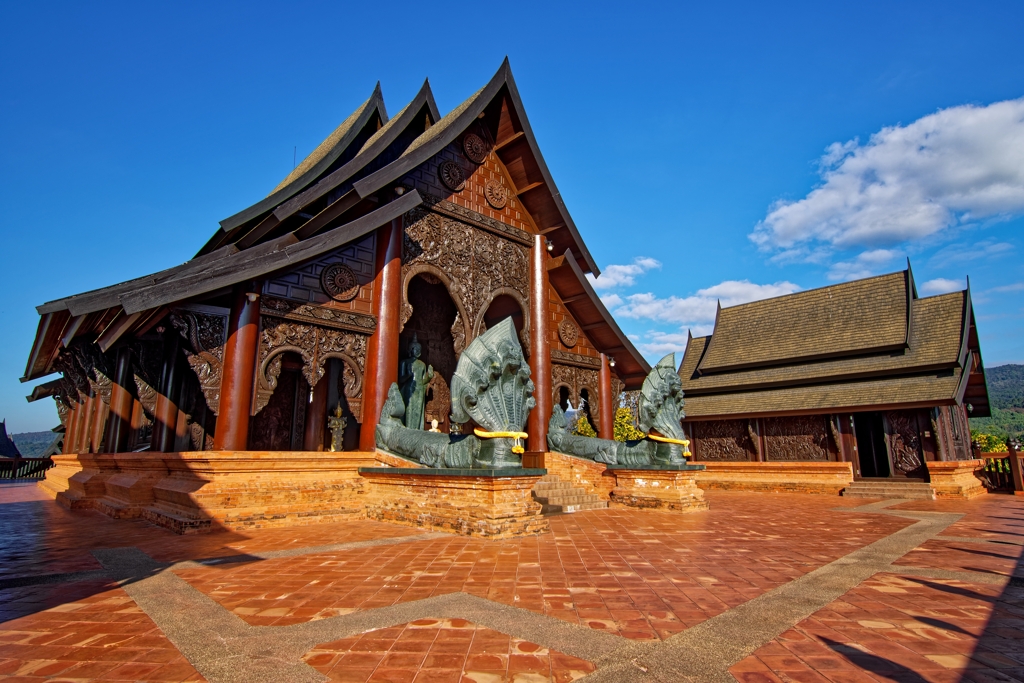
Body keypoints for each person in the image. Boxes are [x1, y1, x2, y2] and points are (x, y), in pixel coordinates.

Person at [398, 334, 434, 430]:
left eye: (419, 349)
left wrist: (429, 376)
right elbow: (401, 379)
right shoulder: (405, 363)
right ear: (410, 350)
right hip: (409, 389)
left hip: (419, 390)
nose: (417, 351)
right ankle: (408, 433)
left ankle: (417, 432)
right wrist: (408, 375)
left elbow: (422, 381)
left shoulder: (422, 365)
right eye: (415, 349)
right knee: (409, 412)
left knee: (418, 413)